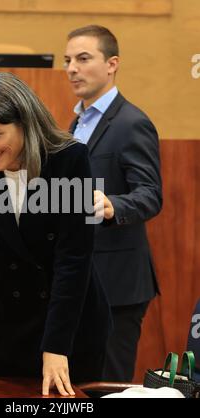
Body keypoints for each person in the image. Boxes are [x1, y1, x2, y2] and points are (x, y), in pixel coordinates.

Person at [0, 72, 111, 396]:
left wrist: (56, 346)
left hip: (69, 328)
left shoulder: (69, 160)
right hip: (6, 325)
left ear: (25, 123)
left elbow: (74, 259)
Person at [64, 25, 163, 382]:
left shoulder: (131, 123)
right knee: (76, 386)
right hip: (79, 281)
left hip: (117, 287)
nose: (72, 68)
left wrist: (113, 206)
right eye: (68, 60)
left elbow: (150, 194)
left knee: (105, 385)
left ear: (112, 64)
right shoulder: (75, 124)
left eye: (83, 58)